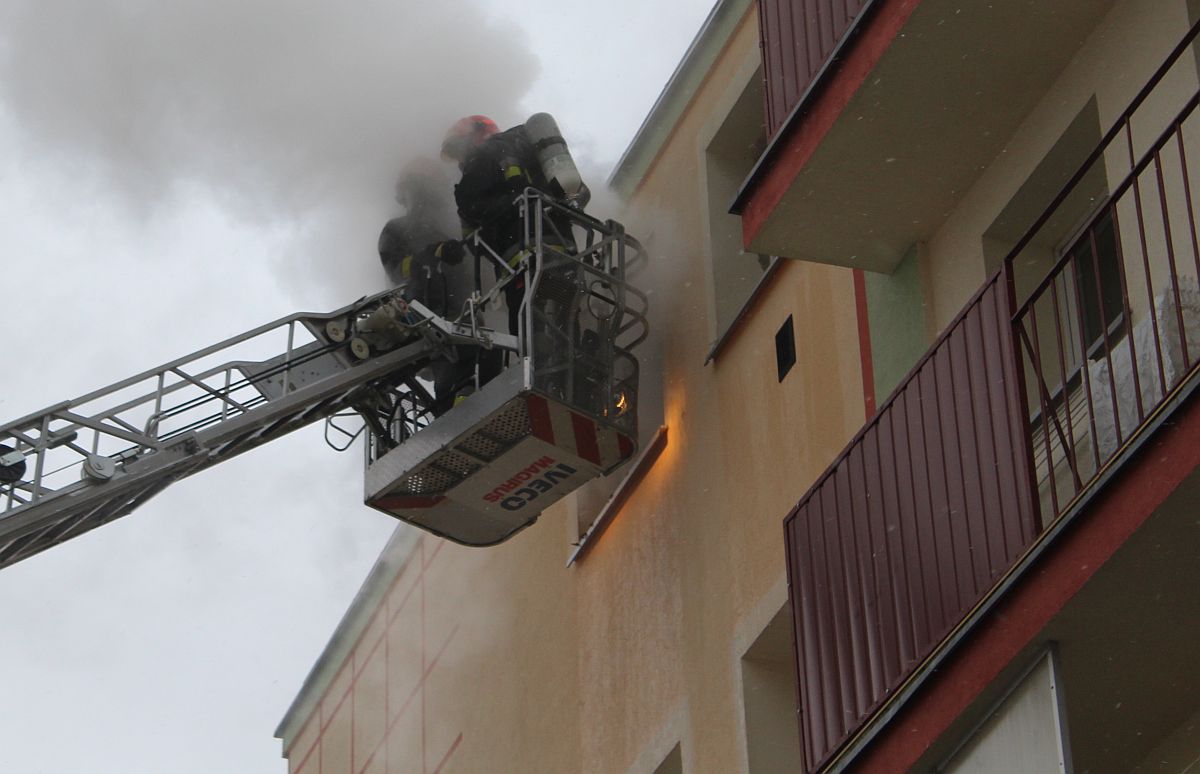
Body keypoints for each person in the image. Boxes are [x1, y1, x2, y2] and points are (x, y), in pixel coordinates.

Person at [376, 159, 474, 415]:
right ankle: (453, 424)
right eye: (419, 188)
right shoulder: (395, 230)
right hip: (427, 319)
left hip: (465, 313)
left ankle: (465, 413)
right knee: (449, 382)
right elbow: (397, 269)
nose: (424, 197)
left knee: (478, 368)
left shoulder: (452, 228)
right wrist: (429, 256)